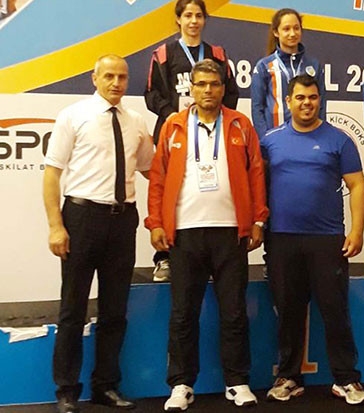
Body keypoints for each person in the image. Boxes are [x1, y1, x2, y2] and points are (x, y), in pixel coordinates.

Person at [145, 58, 268, 411]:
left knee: (234, 312)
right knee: (183, 313)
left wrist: (258, 220)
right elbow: (158, 178)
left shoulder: (241, 124)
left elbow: (256, 173)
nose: (208, 90)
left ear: (223, 88)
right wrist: (156, 222)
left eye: (214, 84)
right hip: (184, 233)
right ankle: (181, 384)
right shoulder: (173, 126)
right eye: (201, 84)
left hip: (231, 232)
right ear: (191, 88)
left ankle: (237, 381)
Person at [43, 54, 154, 413]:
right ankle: (66, 390)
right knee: (72, 309)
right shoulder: (72, 116)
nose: (116, 83)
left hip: (122, 221)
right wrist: (56, 226)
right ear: (94, 78)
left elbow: (153, 169)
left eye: (122, 77)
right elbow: (52, 174)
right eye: (109, 76)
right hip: (81, 218)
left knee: (114, 310)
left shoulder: (136, 121)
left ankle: (105, 386)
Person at [261, 74, 364, 405]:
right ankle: (289, 377)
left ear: (319, 99)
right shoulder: (270, 141)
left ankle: (346, 379)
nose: (306, 103)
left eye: (312, 97)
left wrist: (356, 231)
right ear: (288, 101)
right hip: (281, 239)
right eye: (300, 97)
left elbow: (357, 186)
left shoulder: (339, 140)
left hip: (327, 239)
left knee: (335, 310)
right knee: (288, 310)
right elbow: (255, 186)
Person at [145, 0, 239, 282]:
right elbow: (151, 94)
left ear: (205, 20)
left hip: (211, 130)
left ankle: (210, 260)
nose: (194, 21)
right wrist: (172, 115)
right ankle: (164, 257)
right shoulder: (163, 54)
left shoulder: (217, 54)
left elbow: (231, 92)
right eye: (188, 15)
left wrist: (217, 118)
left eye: (199, 15)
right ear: (178, 20)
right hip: (176, 131)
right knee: (169, 190)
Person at [251, 8, 324, 139]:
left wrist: (320, 136)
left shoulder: (314, 65)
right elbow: (257, 109)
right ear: (276, 32)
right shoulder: (264, 66)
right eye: (286, 29)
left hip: (309, 138)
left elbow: (321, 105)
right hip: (275, 139)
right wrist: (265, 139)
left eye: (296, 28)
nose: (292, 33)